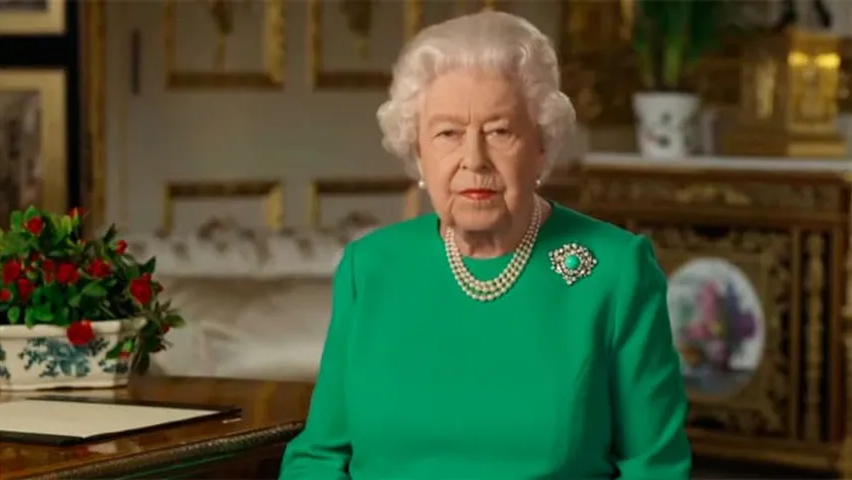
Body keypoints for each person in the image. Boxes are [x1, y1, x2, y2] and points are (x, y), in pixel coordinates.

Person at [280, 11, 691, 480]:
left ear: (541, 145)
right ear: (418, 151)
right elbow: (319, 456)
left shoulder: (615, 271)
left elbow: (655, 469)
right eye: (448, 134)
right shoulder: (370, 267)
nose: (473, 160)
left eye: (500, 131)